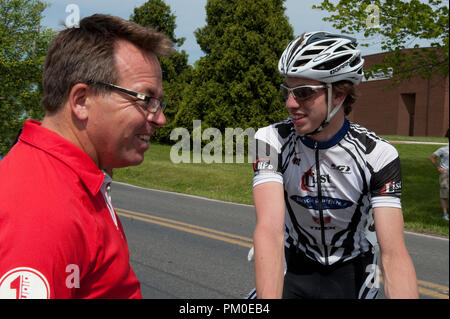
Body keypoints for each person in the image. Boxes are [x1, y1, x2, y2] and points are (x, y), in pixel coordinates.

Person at [0, 14, 172, 299]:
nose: (160, 118)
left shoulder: (67, 178)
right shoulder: (43, 208)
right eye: (145, 100)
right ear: (82, 101)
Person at [252, 31, 418, 299]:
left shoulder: (378, 155)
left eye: (303, 93)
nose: (290, 103)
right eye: (287, 91)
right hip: (295, 268)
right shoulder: (271, 140)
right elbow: (270, 231)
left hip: (351, 274)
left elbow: (394, 255)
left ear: (339, 95)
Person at [429, 143, 449, 221]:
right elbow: (432, 157)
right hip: (445, 175)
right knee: (444, 194)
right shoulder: (443, 149)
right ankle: (445, 214)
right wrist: (439, 168)